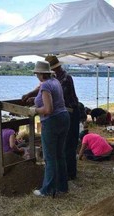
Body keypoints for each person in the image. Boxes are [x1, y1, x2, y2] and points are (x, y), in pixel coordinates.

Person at [23, 55, 80, 181]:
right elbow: (42, 90)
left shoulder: (65, 78)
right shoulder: (54, 79)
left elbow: (51, 100)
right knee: (61, 149)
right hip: (63, 113)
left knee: (69, 145)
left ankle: (70, 174)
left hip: (71, 112)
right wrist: (31, 94)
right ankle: (63, 176)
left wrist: (36, 105)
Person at [29, 61, 70, 197]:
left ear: (40, 74)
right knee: (60, 155)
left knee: (50, 157)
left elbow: (48, 109)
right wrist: (35, 99)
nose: (36, 76)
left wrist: (35, 110)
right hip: (64, 117)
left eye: (36, 74)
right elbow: (52, 100)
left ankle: (47, 190)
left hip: (52, 121)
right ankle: (62, 187)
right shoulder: (55, 81)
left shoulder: (45, 85)